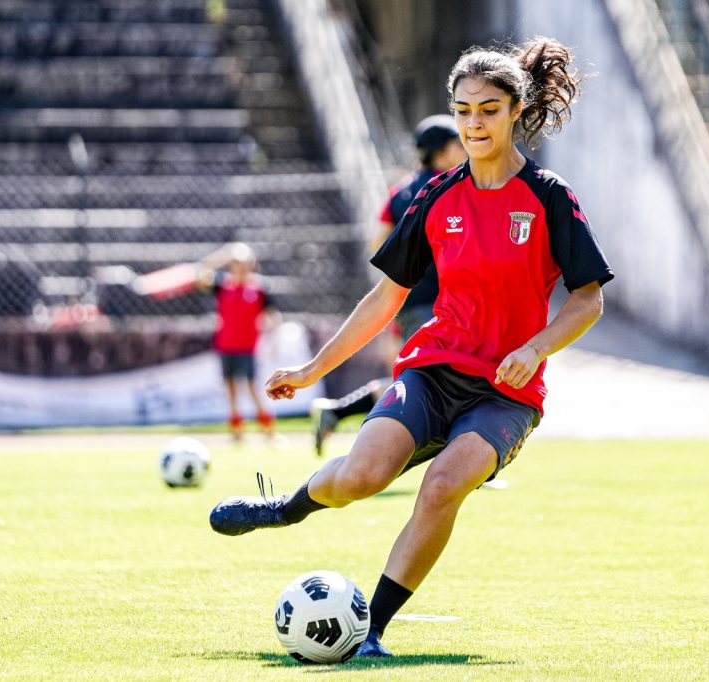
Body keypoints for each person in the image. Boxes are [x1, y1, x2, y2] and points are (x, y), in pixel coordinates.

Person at [210, 37, 614, 657]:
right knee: (364, 476)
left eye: (488, 109)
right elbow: (385, 298)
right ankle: (285, 509)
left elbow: (588, 298)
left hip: (507, 393)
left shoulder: (550, 196)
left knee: (443, 485)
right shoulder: (435, 196)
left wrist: (535, 349)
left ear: (514, 111)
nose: (474, 123)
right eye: (463, 110)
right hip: (432, 369)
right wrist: (314, 368)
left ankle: (369, 630)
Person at [309, 114, 467, 457]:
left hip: (408, 300)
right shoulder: (452, 185)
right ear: (441, 151)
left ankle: (340, 413)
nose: (466, 145)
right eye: (458, 142)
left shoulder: (400, 190)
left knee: (433, 380)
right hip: (440, 303)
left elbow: (377, 243)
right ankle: (346, 420)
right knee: (436, 383)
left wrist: (412, 263)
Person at [196, 242, 279, 441]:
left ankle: (268, 430)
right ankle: (237, 432)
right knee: (231, 389)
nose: (241, 268)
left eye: (245, 264)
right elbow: (199, 274)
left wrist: (273, 337)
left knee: (253, 388)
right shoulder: (222, 286)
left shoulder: (259, 289)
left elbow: (272, 316)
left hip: (248, 347)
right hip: (226, 346)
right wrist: (223, 255)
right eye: (236, 263)